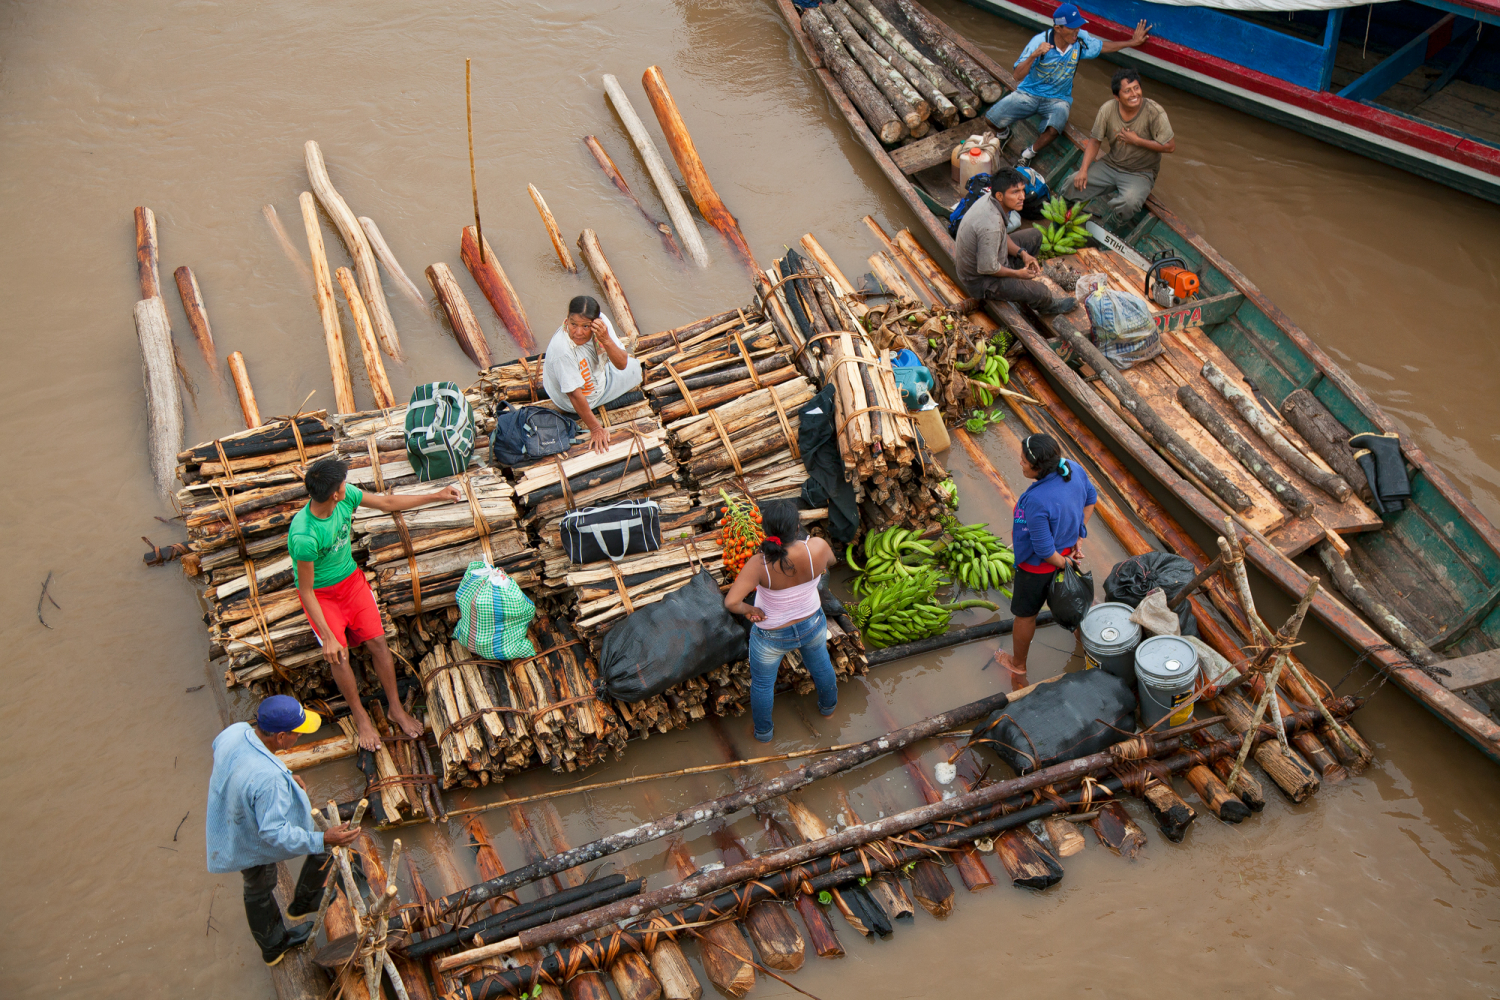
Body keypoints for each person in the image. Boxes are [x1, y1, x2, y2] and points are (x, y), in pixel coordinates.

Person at [292, 456, 462, 751]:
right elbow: (306, 590)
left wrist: (436, 495)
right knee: (339, 656)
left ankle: (395, 708)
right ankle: (360, 717)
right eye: (343, 482)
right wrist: (330, 638)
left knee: (379, 643)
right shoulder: (304, 535)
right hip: (322, 595)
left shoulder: (346, 498)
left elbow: (386, 503)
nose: (347, 484)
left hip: (352, 583)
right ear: (334, 493)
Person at [206, 695, 361, 966]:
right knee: (259, 883)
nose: (299, 737)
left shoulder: (236, 731)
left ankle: (300, 904)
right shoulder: (269, 780)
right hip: (247, 833)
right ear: (280, 737)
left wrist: (283, 772)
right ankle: (274, 945)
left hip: (228, 809)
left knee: (279, 868)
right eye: (296, 733)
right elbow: (274, 834)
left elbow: (231, 755)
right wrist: (323, 836)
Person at [724, 501, 839, 743]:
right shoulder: (816, 547)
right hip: (812, 623)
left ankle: (764, 735)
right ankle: (828, 711)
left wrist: (750, 609)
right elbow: (831, 563)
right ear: (798, 526)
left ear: (765, 531)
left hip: (771, 635)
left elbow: (731, 602)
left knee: (763, 686)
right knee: (821, 668)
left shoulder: (759, 564)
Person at [984, 5, 1151, 164]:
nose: (1077, 30)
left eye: (1078, 26)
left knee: (1054, 129)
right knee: (991, 120)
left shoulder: (1080, 40)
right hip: (1029, 93)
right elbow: (1017, 75)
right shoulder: (1039, 42)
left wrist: (1131, 42)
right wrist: (1034, 55)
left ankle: (1029, 153)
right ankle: (1004, 133)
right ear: (1058, 28)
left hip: (1059, 98)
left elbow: (1102, 47)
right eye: (1072, 27)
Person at [993, 434, 1096, 683]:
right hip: (1066, 553)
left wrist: (1063, 564)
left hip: (1039, 567)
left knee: (1026, 615)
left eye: (1024, 461)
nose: (1020, 463)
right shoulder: (1074, 468)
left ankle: (1018, 665)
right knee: (1075, 600)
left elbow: (1043, 550)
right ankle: (1087, 646)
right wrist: (1078, 538)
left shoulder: (1035, 500)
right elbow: (1090, 500)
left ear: (1038, 467)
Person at [955, 167, 1077, 314]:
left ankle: (1017, 279)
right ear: (1000, 196)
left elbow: (1002, 236)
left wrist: (1022, 254)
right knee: (1042, 292)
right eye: (1015, 192)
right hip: (981, 281)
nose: (1022, 197)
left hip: (990, 259)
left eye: (1022, 190)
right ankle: (1048, 308)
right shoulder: (990, 224)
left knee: (1034, 236)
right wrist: (1018, 274)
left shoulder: (991, 200)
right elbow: (987, 268)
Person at [1066, 68, 1175, 221]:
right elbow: (1095, 141)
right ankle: (1065, 215)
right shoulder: (1107, 109)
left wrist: (1137, 141)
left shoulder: (1154, 112)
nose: (1134, 94)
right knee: (1072, 182)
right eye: (1127, 91)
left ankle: (1114, 224)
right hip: (1111, 164)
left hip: (1141, 172)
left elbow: (1170, 146)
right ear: (1117, 96)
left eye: (1136, 88)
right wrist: (1083, 170)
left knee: (1129, 202)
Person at [542, 295, 643, 454]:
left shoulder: (601, 325)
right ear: (567, 320)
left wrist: (606, 340)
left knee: (632, 367)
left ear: (596, 323)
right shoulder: (562, 350)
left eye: (586, 326)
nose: (578, 332)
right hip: (577, 399)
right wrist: (596, 428)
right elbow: (574, 395)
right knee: (637, 370)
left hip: (598, 375)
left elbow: (621, 364)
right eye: (573, 324)